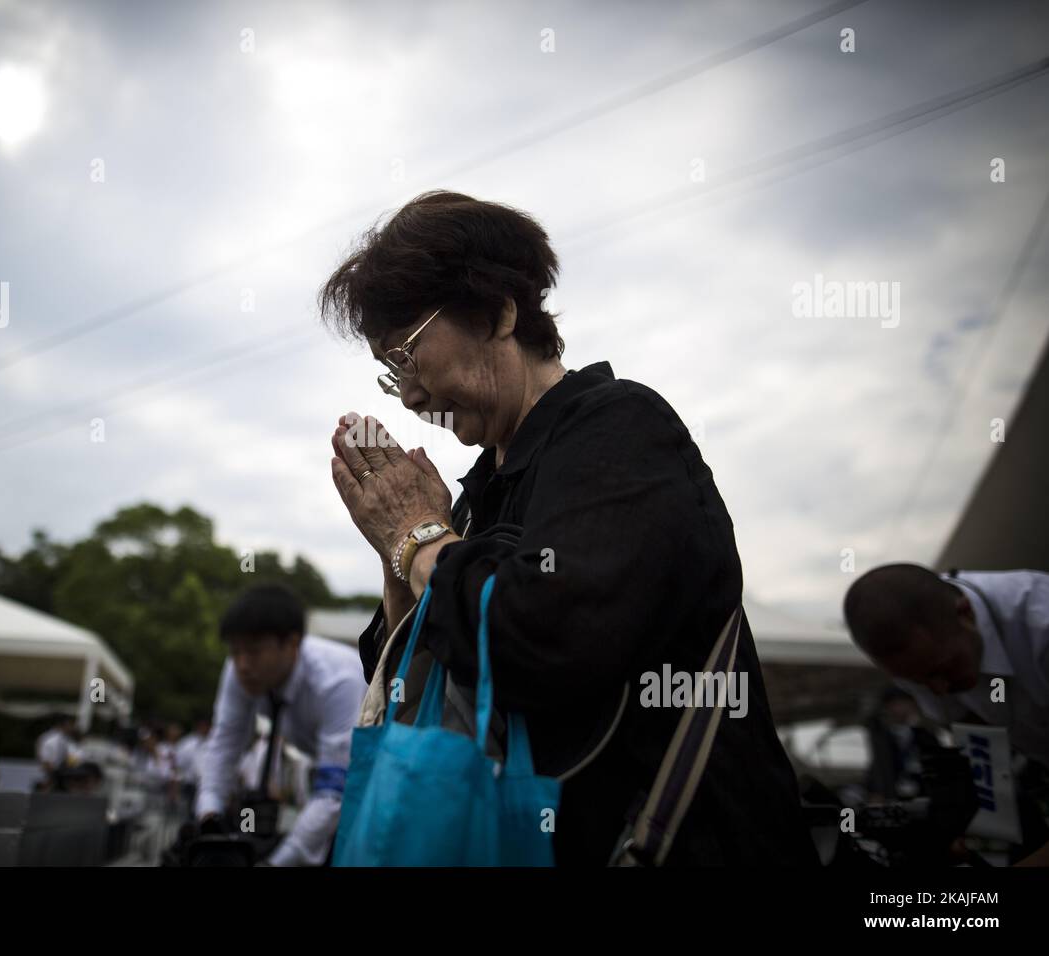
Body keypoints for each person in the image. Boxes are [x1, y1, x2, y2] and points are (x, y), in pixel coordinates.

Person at [318, 189, 816, 866]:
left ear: (498, 312)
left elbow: (537, 638)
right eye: (389, 372)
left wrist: (419, 536)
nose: (408, 395)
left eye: (407, 354)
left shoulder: (620, 427)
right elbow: (409, 688)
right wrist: (398, 548)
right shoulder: (476, 495)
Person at [844, 563, 1049, 865]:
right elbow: (980, 747)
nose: (938, 690)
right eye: (918, 682)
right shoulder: (922, 656)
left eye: (944, 669)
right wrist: (979, 832)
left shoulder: (1040, 625)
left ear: (965, 613)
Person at [194, 584, 367, 866]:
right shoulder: (239, 668)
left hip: (378, 777)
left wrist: (276, 863)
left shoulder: (338, 680)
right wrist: (208, 817)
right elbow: (225, 743)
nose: (242, 665)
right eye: (235, 652)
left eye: (253, 651)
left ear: (292, 643)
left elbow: (333, 791)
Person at [35, 715, 77, 790]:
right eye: (71, 725)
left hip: (58, 774)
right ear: (65, 724)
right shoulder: (51, 739)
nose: (73, 728)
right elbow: (46, 761)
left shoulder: (64, 738)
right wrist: (53, 777)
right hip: (51, 776)